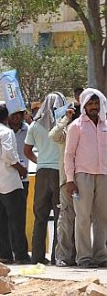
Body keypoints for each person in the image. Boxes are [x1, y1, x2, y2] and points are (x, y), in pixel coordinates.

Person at [0, 105, 30, 265]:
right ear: (5, 117)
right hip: (9, 182)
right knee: (16, 221)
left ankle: (4, 254)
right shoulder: (6, 132)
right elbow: (9, 155)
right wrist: (21, 169)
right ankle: (21, 255)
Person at [64, 89, 107, 268]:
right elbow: (69, 154)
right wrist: (70, 180)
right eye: (90, 104)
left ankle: (100, 255)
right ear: (84, 105)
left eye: (96, 103)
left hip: (103, 174)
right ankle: (84, 257)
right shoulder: (76, 126)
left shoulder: (105, 124)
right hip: (82, 176)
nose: (94, 107)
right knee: (82, 217)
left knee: (102, 217)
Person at [24, 92, 66, 265]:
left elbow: (27, 151)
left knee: (40, 216)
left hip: (41, 173)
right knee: (59, 216)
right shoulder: (63, 125)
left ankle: (37, 256)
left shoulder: (35, 125)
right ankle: (58, 256)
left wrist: (40, 160)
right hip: (59, 173)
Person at [50, 104, 79, 267]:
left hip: (88, 179)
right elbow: (53, 135)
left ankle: (83, 255)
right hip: (67, 181)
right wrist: (65, 119)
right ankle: (62, 256)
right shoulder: (66, 132)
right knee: (66, 220)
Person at [8, 110, 30, 196]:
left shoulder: (28, 129)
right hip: (6, 178)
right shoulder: (3, 130)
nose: (15, 116)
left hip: (23, 177)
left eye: (18, 113)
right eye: (12, 112)